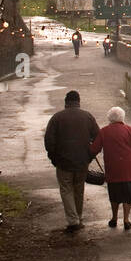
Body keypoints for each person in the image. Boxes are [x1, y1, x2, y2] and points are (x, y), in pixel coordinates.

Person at [43, 90, 100, 234]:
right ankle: (78, 217)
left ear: (66, 102)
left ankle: (73, 220)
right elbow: (98, 137)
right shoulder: (87, 117)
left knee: (66, 189)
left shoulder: (57, 118)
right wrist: (90, 155)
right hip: (82, 161)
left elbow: (49, 140)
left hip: (63, 161)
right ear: (78, 101)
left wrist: (53, 157)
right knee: (79, 189)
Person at [90, 107, 131, 230]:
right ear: (122, 117)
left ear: (109, 118)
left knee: (114, 194)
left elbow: (94, 149)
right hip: (129, 168)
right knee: (127, 195)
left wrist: (88, 149)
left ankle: (114, 218)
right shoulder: (129, 130)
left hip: (112, 168)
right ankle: (126, 220)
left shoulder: (104, 131)